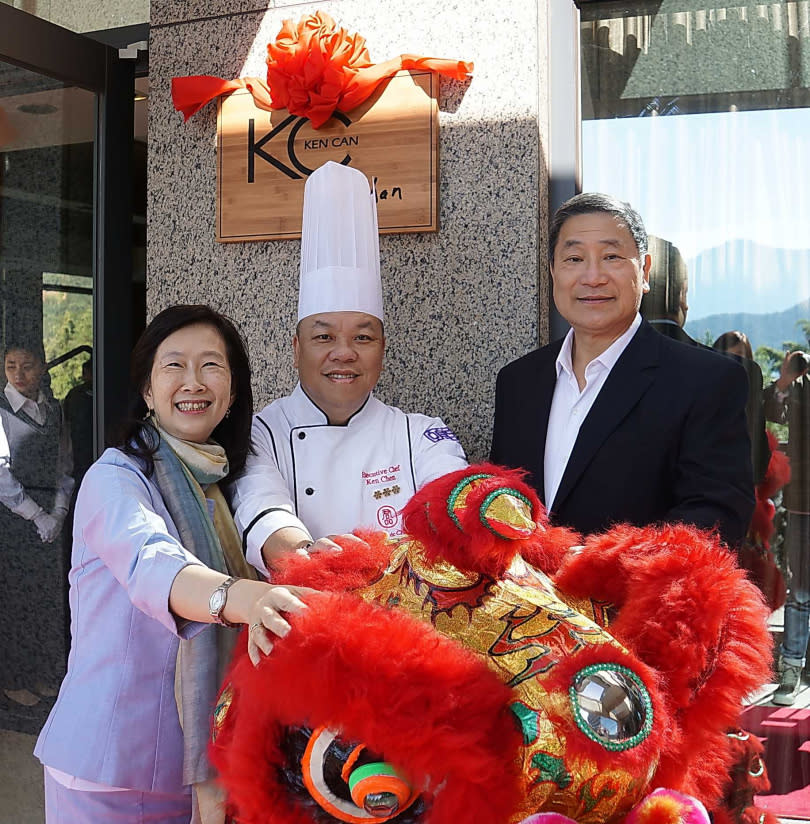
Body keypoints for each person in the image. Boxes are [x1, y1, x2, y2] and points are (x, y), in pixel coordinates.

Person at [35, 305, 312, 823]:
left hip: (203, 767)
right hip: (110, 767)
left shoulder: (228, 481)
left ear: (231, 393)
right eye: (174, 366)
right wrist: (243, 599)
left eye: (211, 366)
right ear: (146, 390)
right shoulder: (115, 478)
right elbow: (151, 562)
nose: (193, 382)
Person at [229, 161, 467, 577]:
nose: (344, 353)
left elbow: (455, 500)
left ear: (382, 349)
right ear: (296, 348)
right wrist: (310, 559)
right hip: (305, 615)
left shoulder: (418, 434)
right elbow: (261, 506)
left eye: (362, 337)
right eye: (324, 338)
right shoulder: (260, 432)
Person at [490, 192, 754, 547]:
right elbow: (503, 498)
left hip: (636, 598)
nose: (593, 276)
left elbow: (715, 517)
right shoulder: (519, 381)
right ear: (553, 270)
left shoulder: (706, 381)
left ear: (643, 271)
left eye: (611, 256)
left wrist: (597, 567)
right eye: (574, 258)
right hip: (526, 600)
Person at [0, 342, 73, 709]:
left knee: (45, 596)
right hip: (13, 517)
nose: (18, 373)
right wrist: (36, 514)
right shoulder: (1, 410)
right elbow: (1, 474)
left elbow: (64, 465)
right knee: (16, 598)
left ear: (42, 368)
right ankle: (15, 679)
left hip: (49, 515)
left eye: (26, 365)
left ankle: (44, 673)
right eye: (10, 365)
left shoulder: (52, 410)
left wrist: (58, 513)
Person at [764, 349, 810, 705]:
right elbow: (770, 410)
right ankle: (792, 667)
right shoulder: (802, 385)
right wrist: (787, 378)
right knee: (802, 590)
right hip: (804, 503)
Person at [712, 331, 771, 486]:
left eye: (739, 356)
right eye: (727, 356)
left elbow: (759, 439)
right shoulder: (705, 391)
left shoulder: (751, 393)